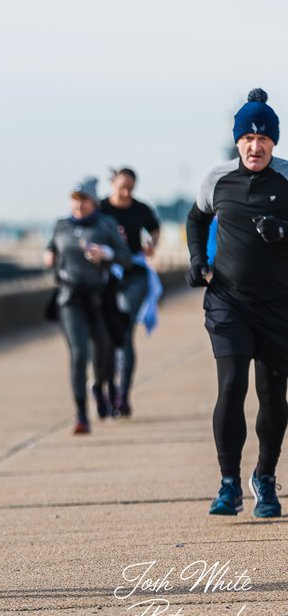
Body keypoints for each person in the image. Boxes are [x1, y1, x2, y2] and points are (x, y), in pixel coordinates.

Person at [186, 87, 288, 518]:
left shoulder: (286, 178)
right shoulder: (217, 178)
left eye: (263, 139)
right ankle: (228, 483)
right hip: (227, 300)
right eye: (248, 138)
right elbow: (196, 217)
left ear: (274, 143)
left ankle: (264, 478)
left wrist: (282, 231)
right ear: (238, 141)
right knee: (232, 385)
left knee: (272, 394)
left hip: (279, 306)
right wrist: (196, 259)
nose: (255, 145)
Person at [44, 177, 132, 434]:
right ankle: (81, 415)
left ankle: (102, 386)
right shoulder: (61, 226)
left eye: (83, 201)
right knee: (79, 354)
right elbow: (51, 248)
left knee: (103, 353)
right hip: (70, 298)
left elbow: (126, 259)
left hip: (100, 298)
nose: (78, 206)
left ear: (93, 202)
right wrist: (49, 256)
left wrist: (106, 254)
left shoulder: (106, 225)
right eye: (74, 201)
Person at [100, 167, 162, 417]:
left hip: (134, 274)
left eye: (130, 188)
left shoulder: (141, 209)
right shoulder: (101, 209)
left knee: (123, 333)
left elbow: (155, 229)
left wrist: (152, 245)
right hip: (106, 277)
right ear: (112, 184)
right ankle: (108, 388)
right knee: (105, 337)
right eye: (121, 186)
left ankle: (123, 395)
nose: (126, 192)